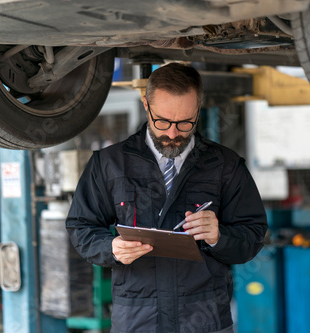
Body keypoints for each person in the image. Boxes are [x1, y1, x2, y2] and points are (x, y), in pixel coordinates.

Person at [65, 62, 268, 333]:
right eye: (163, 121)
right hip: (137, 320)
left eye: (185, 123)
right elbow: (81, 227)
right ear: (146, 105)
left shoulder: (225, 165)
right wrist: (110, 248)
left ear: (198, 110)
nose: (172, 133)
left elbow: (253, 235)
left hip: (204, 319)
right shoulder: (110, 164)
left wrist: (219, 236)